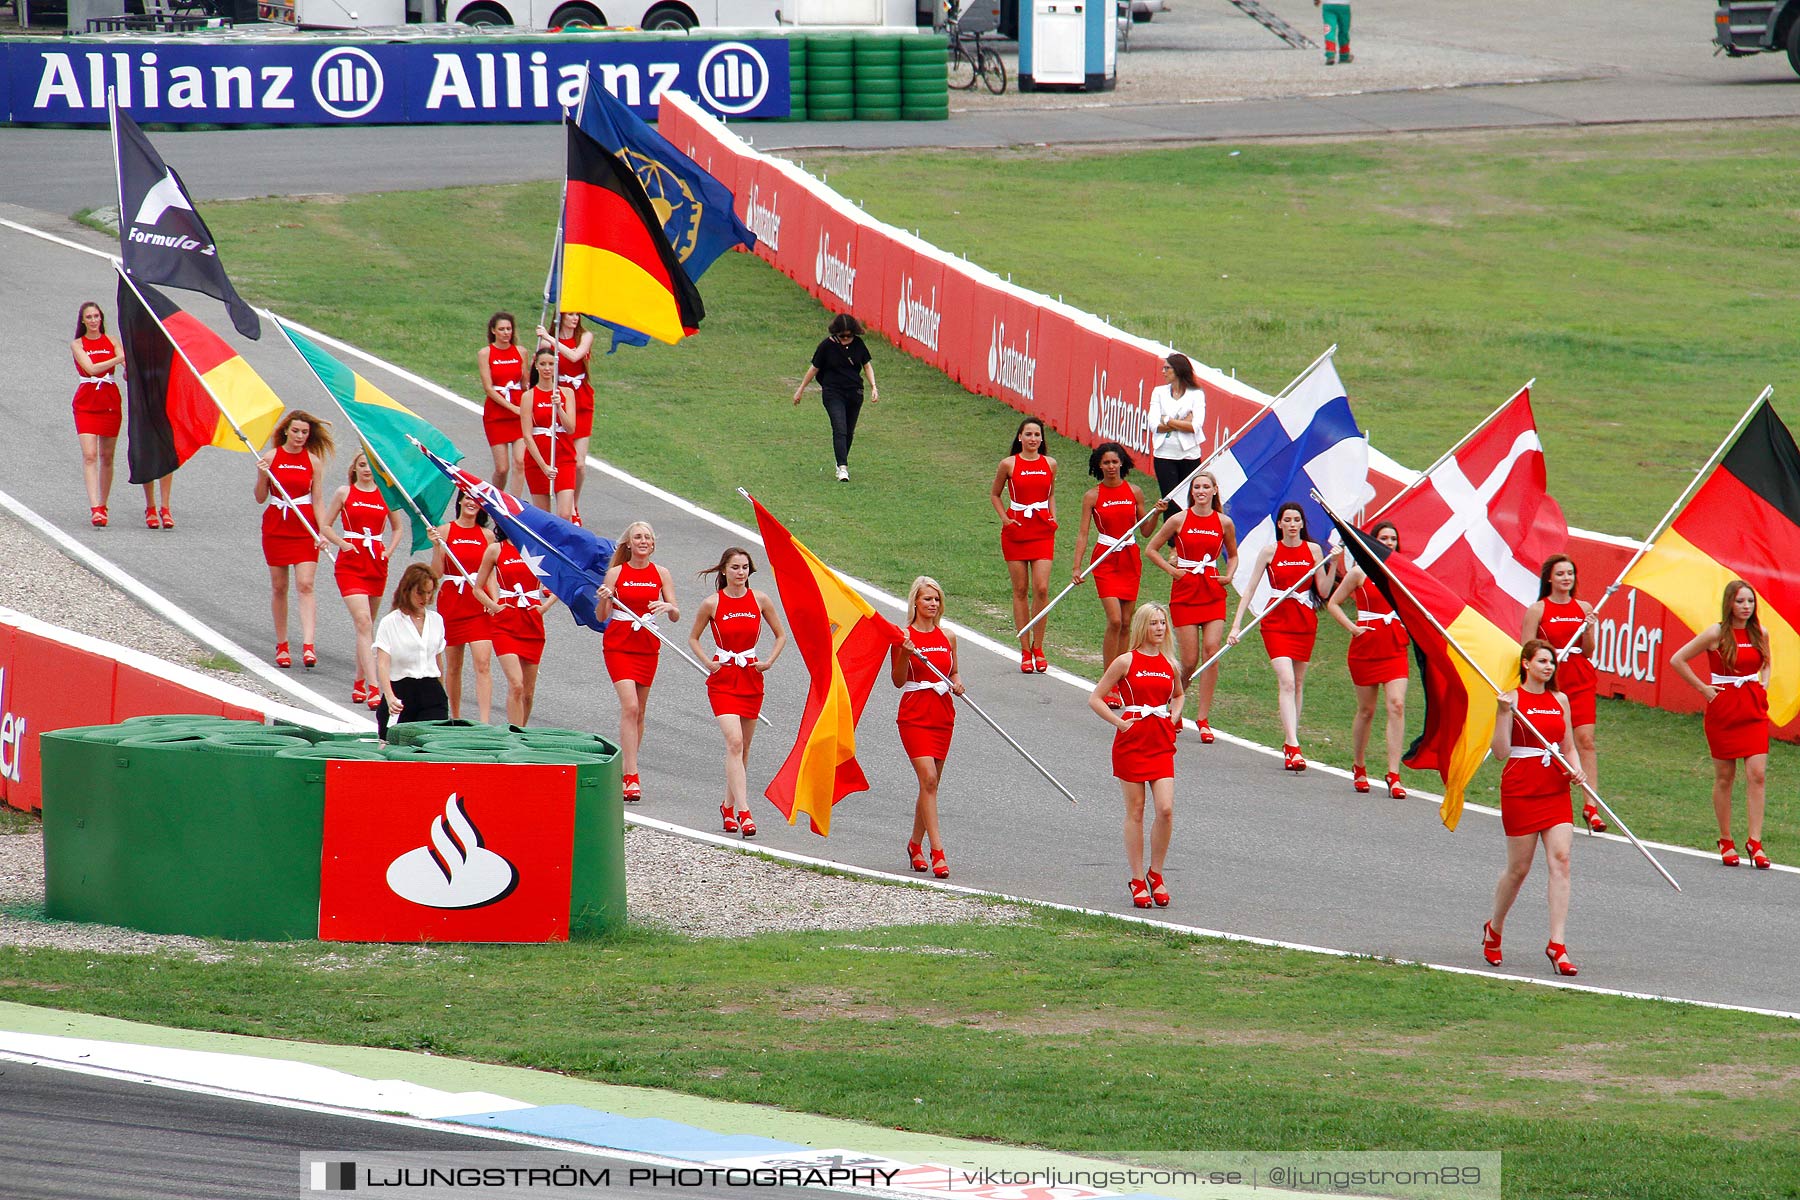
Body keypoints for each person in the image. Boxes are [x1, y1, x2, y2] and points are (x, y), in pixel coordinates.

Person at [1482, 639, 1586, 977]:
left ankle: (1557, 943)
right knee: (1519, 869)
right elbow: (1500, 752)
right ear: (1526, 663)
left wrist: (1576, 767)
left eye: (1551, 662)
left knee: (1562, 860)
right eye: (1542, 661)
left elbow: (1568, 746)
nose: (1548, 666)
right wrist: (1501, 713)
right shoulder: (1511, 700)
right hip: (1521, 788)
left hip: (1555, 788)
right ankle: (1494, 928)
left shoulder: (1560, 700)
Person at [1670, 580, 1774, 869]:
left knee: (1757, 774)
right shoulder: (1716, 633)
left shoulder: (1759, 632)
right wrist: (1703, 688)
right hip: (1724, 709)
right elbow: (1678, 659)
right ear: (1729, 603)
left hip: (1752, 707)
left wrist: (1763, 682)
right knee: (1725, 777)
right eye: (1740, 601)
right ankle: (1725, 839)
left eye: (1750, 602)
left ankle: (1755, 841)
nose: (1745, 607)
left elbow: (1766, 661)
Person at [1228, 502, 1336, 771]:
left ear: (1302, 524)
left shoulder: (1313, 551)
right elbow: (1251, 589)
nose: (1291, 524)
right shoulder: (1270, 551)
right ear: (1280, 524)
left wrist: (1332, 563)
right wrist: (1236, 626)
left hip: (1304, 621)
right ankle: (1294, 745)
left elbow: (1322, 589)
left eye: (1296, 520)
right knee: (1286, 681)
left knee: (1298, 683)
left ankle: (1291, 742)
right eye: (1286, 520)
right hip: (1276, 620)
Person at [1089, 602, 1183, 909]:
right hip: (1132, 741)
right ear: (1144, 626)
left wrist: (1173, 717)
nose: (1159, 628)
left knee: (1166, 809)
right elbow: (1096, 698)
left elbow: (1179, 695)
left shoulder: (1171, 663)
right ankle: (1136, 878)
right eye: (1154, 623)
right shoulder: (1126, 661)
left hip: (1161, 741)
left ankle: (1156, 873)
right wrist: (1120, 722)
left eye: (1163, 623)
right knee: (1137, 810)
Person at [688, 548, 787, 839]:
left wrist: (768, 661)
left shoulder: (760, 600)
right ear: (724, 571)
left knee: (743, 749)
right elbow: (693, 638)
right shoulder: (712, 603)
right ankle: (745, 811)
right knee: (734, 741)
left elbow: (781, 634)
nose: (740, 572)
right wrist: (708, 662)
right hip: (724, 679)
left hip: (751, 679)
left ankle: (728, 807)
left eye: (744, 567)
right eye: (735, 567)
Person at [1144, 471, 1235, 741]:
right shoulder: (1179, 519)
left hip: (1212, 591)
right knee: (1189, 660)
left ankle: (1203, 719)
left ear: (1215, 490)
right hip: (1185, 592)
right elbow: (1151, 549)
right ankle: (1175, 704)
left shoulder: (1224, 522)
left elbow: (1234, 555)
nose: (1201, 491)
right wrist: (1172, 572)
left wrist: (1229, 576)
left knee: (1211, 651)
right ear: (1192, 491)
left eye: (1206, 486)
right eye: (1197, 487)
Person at [1324, 520, 1410, 797]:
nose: (1388, 542)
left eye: (1392, 539)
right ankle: (1359, 766)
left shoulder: (1403, 572)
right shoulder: (1359, 572)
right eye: (1383, 538)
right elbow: (1333, 603)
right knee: (1367, 710)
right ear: (1373, 541)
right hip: (1366, 645)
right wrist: (1352, 627)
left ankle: (1394, 775)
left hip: (1395, 645)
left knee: (1396, 705)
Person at [1072, 443, 1163, 703]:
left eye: (1115, 462)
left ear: (1122, 463)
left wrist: (1156, 514)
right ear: (1098, 466)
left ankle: (1121, 679)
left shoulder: (1134, 492)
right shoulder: (1092, 495)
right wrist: (1077, 567)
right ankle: (1108, 681)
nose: (1111, 467)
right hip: (1104, 558)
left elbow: (1145, 531)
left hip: (1129, 559)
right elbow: (1082, 534)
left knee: (1126, 622)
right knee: (1114, 620)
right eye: (1106, 463)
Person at [1522, 555, 1604, 832]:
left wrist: (1590, 628)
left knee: (1586, 741)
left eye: (1570, 573)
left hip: (1580, 678)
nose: (1566, 578)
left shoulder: (1584, 607)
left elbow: (1589, 650)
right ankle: (1541, 800)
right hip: (1552, 681)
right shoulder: (1537, 609)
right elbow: (1527, 653)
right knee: (1548, 743)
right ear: (1549, 578)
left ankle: (1591, 807)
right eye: (1560, 574)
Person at [890, 576, 965, 879]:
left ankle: (914, 845)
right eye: (927, 599)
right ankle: (938, 852)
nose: (933, 604)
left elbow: (955, 671)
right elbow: (897, 681)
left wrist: (958, 683)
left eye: (936, 599)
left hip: (943, 714)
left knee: (930, 785)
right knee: (929, 780)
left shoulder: (948, 636)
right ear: (915, 603)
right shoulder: (903, 637)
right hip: (914, 714)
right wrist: (905, 654)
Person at [600, 521, 679, 802]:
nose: (643, 541)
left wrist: (668, 606)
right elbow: (601, 616)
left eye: (647, 537)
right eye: (638, 537)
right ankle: (632, 774)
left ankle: (626, 768)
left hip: (647, 644)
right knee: (630, 706)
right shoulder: (615, 573)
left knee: (641, 711)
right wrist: (604, 598)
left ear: (653, 544)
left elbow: (675, 613)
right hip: (620, 644)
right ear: (629, 544)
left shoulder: (662, 573)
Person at [320, 452, 404, 709]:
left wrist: (388, 551)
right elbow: (325, 525)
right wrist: (342, 544)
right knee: (363, 621)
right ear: (354, 468)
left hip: (376, 563)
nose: (367, 470)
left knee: (366, 627)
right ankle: (374, 687)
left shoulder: (385, 494)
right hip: (351, 563)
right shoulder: (345, 492)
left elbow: (398, 527)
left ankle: (359, 681)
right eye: (362, 465)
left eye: (371, 466)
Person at [256, 410, 334, 669]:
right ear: (286, 430)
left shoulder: (313, 461)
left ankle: (309, 645)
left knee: (306, 583)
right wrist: (262, 475)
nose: (300, 436)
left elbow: (319, 499)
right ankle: (282, 644)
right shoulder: (270, 457)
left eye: (305, 433)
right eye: (296, 431)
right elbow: (259, 497)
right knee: (279, 587)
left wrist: (323, 530)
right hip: (277, 526)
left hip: (304, 527)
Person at [992, 417, 1058, 675]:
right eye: (1028, 434)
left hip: (1042, 530)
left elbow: (1051, 493)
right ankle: (1025, 649)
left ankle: (1039, 646)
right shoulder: (1008, 464)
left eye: (1037, 435)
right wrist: (1006, 519)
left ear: (1042, 439)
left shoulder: (1050, 464)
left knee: (1041, 588)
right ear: (1020, 437)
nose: (1033, 439)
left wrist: (1053, 515)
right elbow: (995, 494)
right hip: (1016, 531)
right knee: (1020, 589)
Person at [429, 490, 502, 722]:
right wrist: (437, 546)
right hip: (452, 603)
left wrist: (495, 601)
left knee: (483, 662)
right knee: (453, 666)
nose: (472, 502)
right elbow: (437, 573)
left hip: (478, 604)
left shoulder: (488, 535)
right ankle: (455, 717)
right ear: (460, 500)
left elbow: (491, 574)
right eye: (468, 497)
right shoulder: (445, 531)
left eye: (477, 500)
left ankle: (484, 721)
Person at [478, 523, 558, 728]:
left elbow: (561, 581)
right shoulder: (496, 549)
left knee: (528, 693)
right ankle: (513, 735)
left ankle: (521, 733)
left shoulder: (538, 548)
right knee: (516, 684)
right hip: (505, 623)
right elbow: (478, 588)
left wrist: (544, 606)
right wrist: (494, 606)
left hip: (532, 622)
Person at [792, 313, 878, 482]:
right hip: (833, 392)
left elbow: (867, 366)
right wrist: (801, 389)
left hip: (854, 392)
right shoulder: (826, 346)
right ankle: (843, 468)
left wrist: (874, 387)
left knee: (849, 431)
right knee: (839, 427)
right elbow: (814, 369)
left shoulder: (859, 345)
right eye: (842, 336)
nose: (846, 339)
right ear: (835, 333)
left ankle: (840, 459)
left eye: (849, 336)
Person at [374, 563, 449, 743]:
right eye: (420, 592)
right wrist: (390, 696)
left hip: (431, 692)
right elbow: (383, 663)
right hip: (401, 691)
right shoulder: (390, 622)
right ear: (407, 590)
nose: (425, 598)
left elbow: (437, 660)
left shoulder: (436, 620)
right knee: (392, 744)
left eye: (429, 593)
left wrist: (441, 690)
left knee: (430, 745)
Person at [70, 301, 125, 527]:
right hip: (86, 400)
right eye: (89, 317)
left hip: (110, 400)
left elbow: (126, 363)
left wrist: (125, 362)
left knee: (107, 456)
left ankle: (103, 504)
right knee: (90, 454)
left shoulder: (112, 341)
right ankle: (94, 507)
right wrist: (118, 359)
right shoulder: (77, 344)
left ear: (101, 318)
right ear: (83, 321)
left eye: (96, 316)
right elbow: (91, 368)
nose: (93, 321)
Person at [537, 312, 594, 508]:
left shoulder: (585, 336)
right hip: (560, 401)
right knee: (561, 457)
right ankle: (561, 501)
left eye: (577, 315)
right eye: (570, 314)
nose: (575, 318)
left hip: (582, 400)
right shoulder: (547, 344)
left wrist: (549, 338)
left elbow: (575, 355)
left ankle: (574, 505)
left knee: (579, 463)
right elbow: (539, 368)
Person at [520, 346, 577, 521]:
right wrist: (544, 465)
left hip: (563, 455)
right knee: (543, 517)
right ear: (536, 366)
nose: (547, 368)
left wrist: (559, 407)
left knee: (565, 514)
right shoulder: (528, 396)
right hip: (539, 458)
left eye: (551, 364)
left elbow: (571, 428)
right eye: (543, 364)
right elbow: (527, 435)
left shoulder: (566, 393)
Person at [1146, 353, 1205, 506]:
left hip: (1189, 455)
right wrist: (1181, 423)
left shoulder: (1196, 394)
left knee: (1189, 502)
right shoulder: (1159, 392)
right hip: (1164, 454)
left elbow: (1194, 427)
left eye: (1167, 368)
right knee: (1169, 503)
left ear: (1178, 370)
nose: (1163, 372)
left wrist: (1167, 419)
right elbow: (1154, 425)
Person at [477, 312, 526, 496]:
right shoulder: (485, 353)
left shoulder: (521, 352)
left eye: (509, 329)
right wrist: (512, 407)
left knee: (520, 462)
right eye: (502, 329)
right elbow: (488, 388)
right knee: (502, 468)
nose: (506, 333)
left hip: (519, 413)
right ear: (493, 331)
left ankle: (515, 505)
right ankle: (496, 500)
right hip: (497, 414)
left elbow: (525, 383)